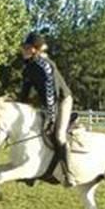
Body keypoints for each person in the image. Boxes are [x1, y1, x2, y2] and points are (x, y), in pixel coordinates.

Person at [18, 31, 76, 187]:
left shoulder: (45, 66)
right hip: (47, 103)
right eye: (24, 47)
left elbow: (52, 95)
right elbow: (24, 93)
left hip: (62, 101)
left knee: (58, 135)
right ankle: (33, 172)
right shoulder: (29, 66)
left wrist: (51, 118)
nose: (23, 49)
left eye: (27, 47)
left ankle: (68, 173)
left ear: (35, 50)